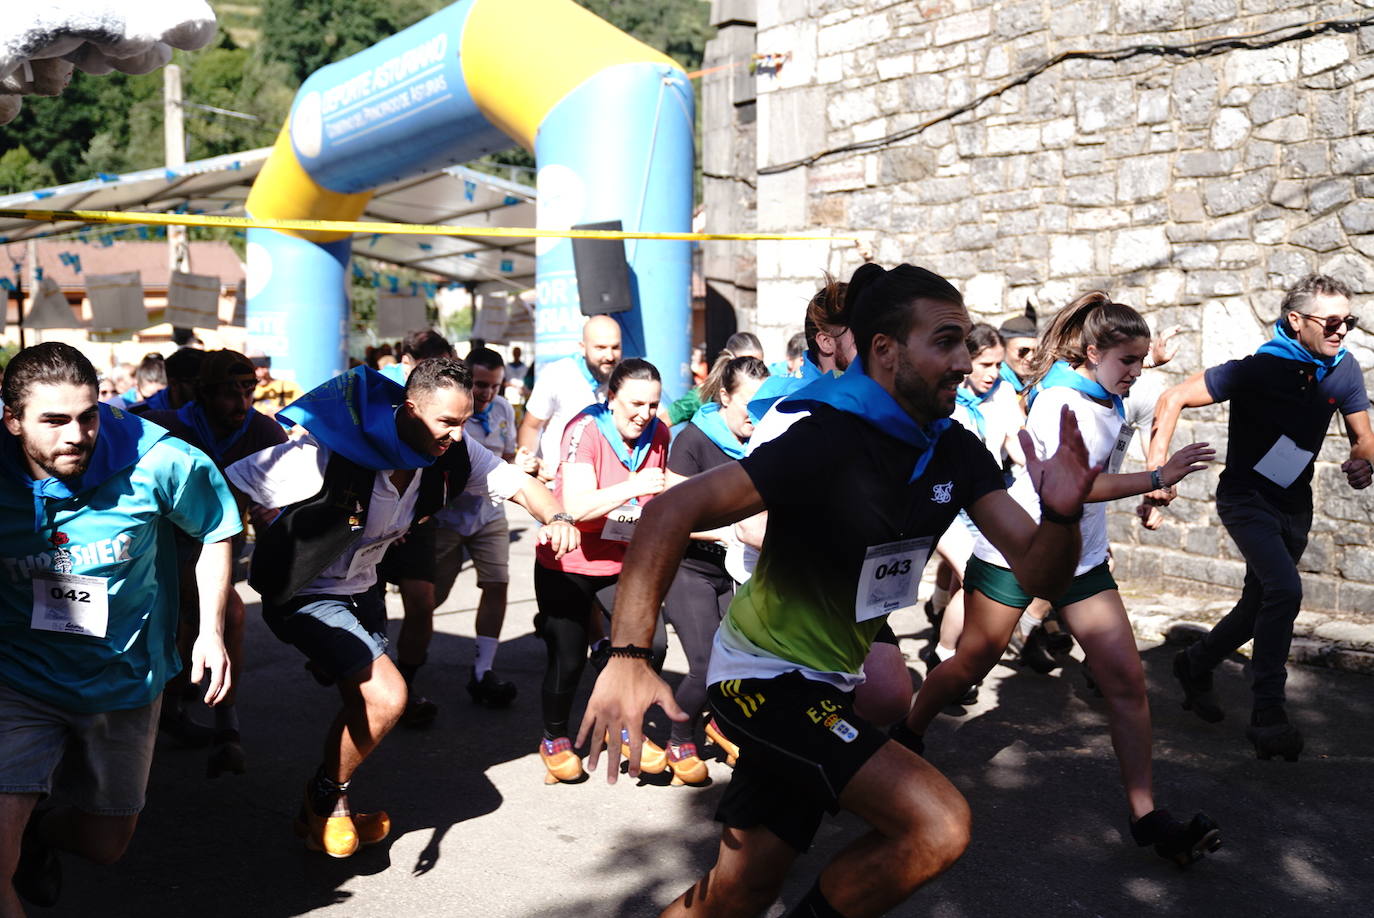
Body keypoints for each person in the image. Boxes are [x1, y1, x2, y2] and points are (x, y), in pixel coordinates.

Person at [578, 263, 1099, 918]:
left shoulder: (953, 450)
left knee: (739, 893)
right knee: (937, 824)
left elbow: (1038, 574)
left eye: (965, 343)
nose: (965, 361)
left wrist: (1062, 516)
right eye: (945, 341)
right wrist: (627, 657)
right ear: (884, 350)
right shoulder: (823, 436)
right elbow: (666, 512)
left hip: (828, 684)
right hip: (762, 680)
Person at [901, 291, 1223, 866]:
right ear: (1093, 352)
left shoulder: (1113, 384)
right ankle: (908, 736)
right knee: (973, 660)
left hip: (1084, 560)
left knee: (1126, 684)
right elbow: (1076, 490)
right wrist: (1155, 477)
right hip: (1019, 550)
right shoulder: (1057, 402)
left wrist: (1156, 365)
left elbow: (1165, 395)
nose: (1135, 372)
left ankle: (1147, 816)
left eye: (1139, 361)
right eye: (1127, 361)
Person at [226, 359, 576, 858]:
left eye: (466, 421)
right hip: (305, 589)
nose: (457, 436)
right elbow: (227, 485)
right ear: (409, 410)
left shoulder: (455, 451)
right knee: (388, 698)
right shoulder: (327, 450)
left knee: (362, 703)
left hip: (362, 589)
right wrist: (218, 573)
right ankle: (327, 798)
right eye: (447, 423)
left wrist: (557, 516)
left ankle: (320, 808)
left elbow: (522, 485)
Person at [0, 342, 237, 913]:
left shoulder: (158, 459)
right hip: (17, 679)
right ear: (12, 421)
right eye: (53, 420)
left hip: (123, 677)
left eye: (88, 415)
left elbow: (215, 528)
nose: (77, 434)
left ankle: (44, 832)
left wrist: (210, 631)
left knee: (105, 844)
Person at [1149, 274, 1373, 760]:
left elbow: (1364, 436)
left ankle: (1196, 662)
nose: (1341, 330)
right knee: (1286, 590)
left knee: (1258, 606)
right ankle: (1268, 711)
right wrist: (1159, 474)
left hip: (1296, 504)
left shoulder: (1345, 369)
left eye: (1348, 321)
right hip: (1246, 498)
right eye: (1332, 321)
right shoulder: (1258, 368)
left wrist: (1364, 461)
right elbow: (1173, 398)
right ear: (1296, 320)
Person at [145, 350, 289, 776]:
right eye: (230, 393)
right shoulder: (165, 428)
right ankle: (164, 707)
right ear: (203, 392)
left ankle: (227, 723)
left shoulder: (264, 432)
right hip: (156, 550)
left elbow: (275, 510)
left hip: (217, 550)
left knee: (232, 617)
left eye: (249, 391)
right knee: (168, 632)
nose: (242, 403)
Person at [387, 346, 547, 726]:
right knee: (428, 600)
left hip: (488, 515)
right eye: (479, 385)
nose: (487, 393)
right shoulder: (442, 415)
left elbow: (506, 466)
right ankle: (393, 676)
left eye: (494, 386)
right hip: (443, 519)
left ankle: (481, 671)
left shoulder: (505, 410)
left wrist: (552, 507)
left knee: (497, 583)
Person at [534, 358, 672, 785]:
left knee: (653, 646)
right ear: (610, 397)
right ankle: (554, 738)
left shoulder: (659, 432)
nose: (644, 414)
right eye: (634, 403)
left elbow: (662, 492)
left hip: (622, 562)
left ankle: (627, 727)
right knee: (568, 657)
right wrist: (635, 486)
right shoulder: (585, 429)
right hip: (569, 559)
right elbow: (573, 506)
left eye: (652, 404)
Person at [660, 355, 770, 785]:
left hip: (736, 570)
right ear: (724, 396)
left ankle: (721, 726)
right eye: (749, 407)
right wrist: (725, 532)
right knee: (705, 664)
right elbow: (671, 515)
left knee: (742, 663)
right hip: (691, 569)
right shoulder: (691, 440)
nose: (756, 418)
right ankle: (677, 736)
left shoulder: (761, 440)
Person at [922, 323, 1025, 704]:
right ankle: (945, 659)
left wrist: (1039, 470)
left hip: (984, 496)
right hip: (946, 501)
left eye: (998, 365)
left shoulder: (1002, 393)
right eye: (984, 364)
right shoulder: (944, 394)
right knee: (973, 577)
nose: (992, 373)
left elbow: (1013, 443)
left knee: (975, 578)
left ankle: (943, 624)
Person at [517, 315, 622, 480]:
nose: (609, 356)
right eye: (600, 348)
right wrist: (530, 462)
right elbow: (531, 426)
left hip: (605, 484)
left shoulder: (625, 378)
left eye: (615, 347)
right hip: (557, 482)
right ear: (582, 347)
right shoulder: (557, 374)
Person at [668, 332, 765, 426]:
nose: (755, 373)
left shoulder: (767, 392)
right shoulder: (704, 395)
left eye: (759, 366)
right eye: (746, 365)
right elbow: (664, 420)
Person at [131, 348, 203, 415]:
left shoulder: (207, 410)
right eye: (197, 382)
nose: (205, 389)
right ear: (173, 383)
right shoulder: (138, 415)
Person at [381, 328, 453, 384]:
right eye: (428, 371)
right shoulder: (379, 384)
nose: (440, 377)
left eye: (446, 368)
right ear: (406, 363)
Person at [997, 306, 1038, 394]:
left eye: (1035, 351)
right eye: (1023, 351)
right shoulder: (993, 386)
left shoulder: (1034, 385)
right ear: (1003, 349)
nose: (1030, 358)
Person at [249, 351, 302, 418]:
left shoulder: (289, 387)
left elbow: (302, 412)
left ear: (268, 366)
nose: (260, 373)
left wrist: (281, 412)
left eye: (263, 367)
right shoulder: (246, 390)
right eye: (255, 368)